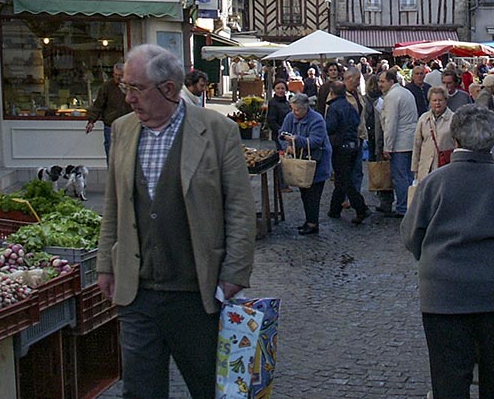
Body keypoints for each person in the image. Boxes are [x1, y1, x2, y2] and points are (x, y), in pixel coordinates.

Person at [96, 45, 255, 399]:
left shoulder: (216, 131)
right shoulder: (123, 130)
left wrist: (234, 274)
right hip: (138, 293)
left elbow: (240, 208)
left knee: (208, 387)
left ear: (168, 89)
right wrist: (106, 263)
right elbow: (113, 204)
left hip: (197, 293)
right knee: (140, 391)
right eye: (125, 88)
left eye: (135, 88)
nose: (128, 98)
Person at [401, 106, 494, 399]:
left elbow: (411, 235)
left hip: (442, 295)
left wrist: (434, 260)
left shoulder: (435, 182)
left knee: (448, 377)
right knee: (493, 375)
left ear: (455, 139)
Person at [279, 93, 333, 235]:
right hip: (300, 163)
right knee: (304, 193)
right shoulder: (290, 117)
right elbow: (282, 133)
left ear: (306, 108)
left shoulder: (317, 120)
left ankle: (312, 223)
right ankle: (309, 220)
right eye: (293, 109)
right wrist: (286, 145)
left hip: (316, 163)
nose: (294, 113)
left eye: (297, 110)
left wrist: (295, 139)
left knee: (313, 195)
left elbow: (316, 141)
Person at [323, 81, 369, 224]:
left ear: (332, 92)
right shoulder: (350, 106)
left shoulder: (334, 108)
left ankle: (361, 207)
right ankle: (334, 209)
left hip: (340, 146)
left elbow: (330, 127)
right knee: (342, 178)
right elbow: (356, 122)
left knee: (343, 179)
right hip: (353, 144)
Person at [381, 68, 419, 217]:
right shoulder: (406, 92)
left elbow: (391, 123)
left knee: (400, 176)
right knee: (409, 176)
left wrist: (387, 147)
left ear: (391, 81)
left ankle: (403, 207)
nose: (380, 84)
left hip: (399, 143)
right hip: (410, 140)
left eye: (383, 81)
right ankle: (411, 205)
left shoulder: (392, 96)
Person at [363, 73, 394, 214]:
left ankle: (384, 200)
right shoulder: (381, 101)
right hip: (378, 139)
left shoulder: (373, 100)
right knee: (384, 170)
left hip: (374, 138)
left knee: (380, 169)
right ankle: (385, 200)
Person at [86, 62, 129, 160]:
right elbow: (98, 105)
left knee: (127, 152)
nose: (118, 78)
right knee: (111, 152)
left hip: (127, 124)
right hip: (111, 124)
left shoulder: (130, 86)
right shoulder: (107, 87)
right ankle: (112, 173)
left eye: (121, 75)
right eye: (116, 75)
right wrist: (91, 121)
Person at [413, 86, 455, 180]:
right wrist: (415, 168)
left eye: (440, 100)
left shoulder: (454, 119)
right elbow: (417, 145)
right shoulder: (423, 119)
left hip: (445, 167)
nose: (437, 103)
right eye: (434, 100)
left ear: (446, 101)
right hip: (426, 168)